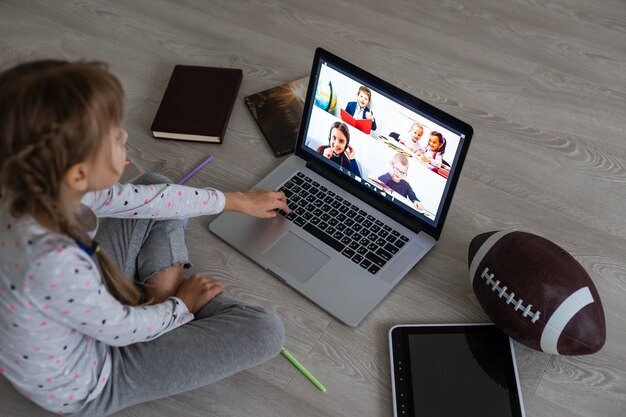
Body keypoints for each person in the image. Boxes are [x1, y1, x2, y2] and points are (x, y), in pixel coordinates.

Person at [0, 60, 288, 417]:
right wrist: (181, 308)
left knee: (155, 188)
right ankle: (162, 306)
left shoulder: (38, 191)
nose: (124, 136)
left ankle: (159, 298)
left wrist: (237, 201)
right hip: (95, 375)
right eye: (114, 134)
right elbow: (119, 330)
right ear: (78, 173)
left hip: (88, 307)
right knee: (266, 331)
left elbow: (144, 200)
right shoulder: (52, 265)